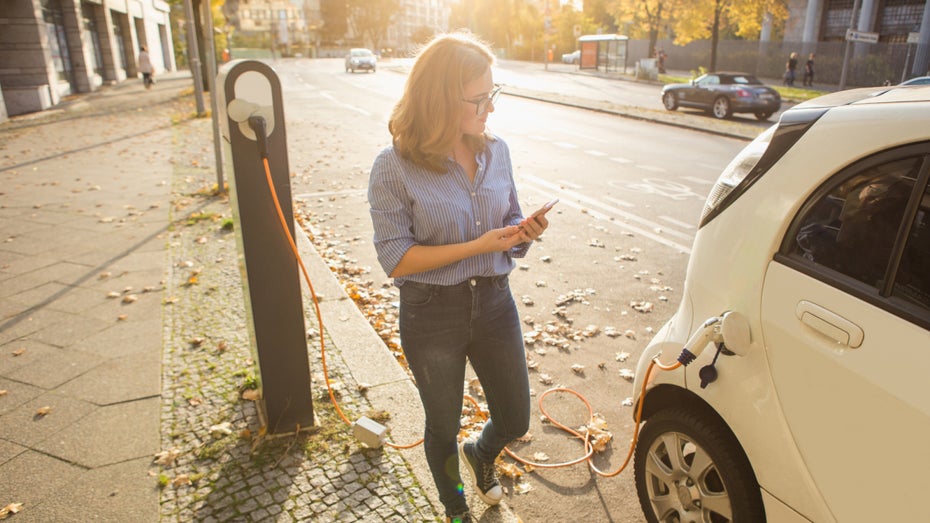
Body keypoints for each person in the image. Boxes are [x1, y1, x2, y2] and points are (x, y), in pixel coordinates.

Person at [367, 31, 545, 523]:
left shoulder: (496, 150)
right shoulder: (393, 166)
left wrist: (522, 232)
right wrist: (478, 245)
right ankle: (455, 507)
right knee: (442, 424)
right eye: (480, 99)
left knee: (515, 416)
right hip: (431, 311)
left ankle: (482, 453)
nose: (491, 107)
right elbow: (396, 259)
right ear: (442, 99)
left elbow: (507, 217)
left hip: (493, 301)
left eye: (494, 94)